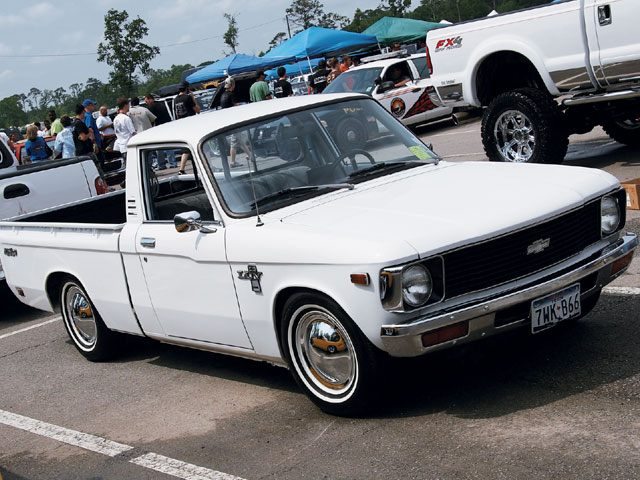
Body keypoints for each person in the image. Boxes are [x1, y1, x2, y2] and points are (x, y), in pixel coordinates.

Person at [220, 77, 251, 168]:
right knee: (237, 142)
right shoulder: (231, 95)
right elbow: (236, 107)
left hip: (227, 121)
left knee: (238, 141)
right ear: (232, 84)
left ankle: (248, 156)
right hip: (233, 121)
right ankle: (235, 161)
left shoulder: (222, 95)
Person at [144, 93, 176, 169]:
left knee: (159, 147)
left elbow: (151, 119)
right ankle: (172, 163)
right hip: (167, 126)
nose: (146, 103)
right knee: (169, 146)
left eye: (146, 101)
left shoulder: (152, 106)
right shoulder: (161, 104)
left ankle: (161, 165)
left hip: (158, 128)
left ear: (150, 99)